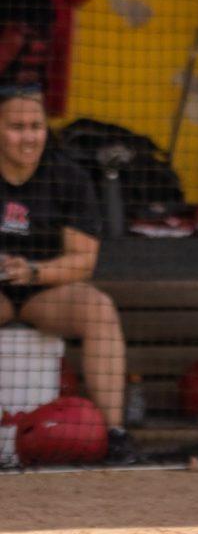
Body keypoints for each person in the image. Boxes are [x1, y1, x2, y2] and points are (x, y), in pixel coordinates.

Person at [0, 86, 137, 463]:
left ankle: (115, 435)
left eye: (36, 126)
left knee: (98, 308)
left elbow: (83, 261)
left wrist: (32, 271)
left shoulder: (67, 178)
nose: (28, 136)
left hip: (42, 290)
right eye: (16, 126)